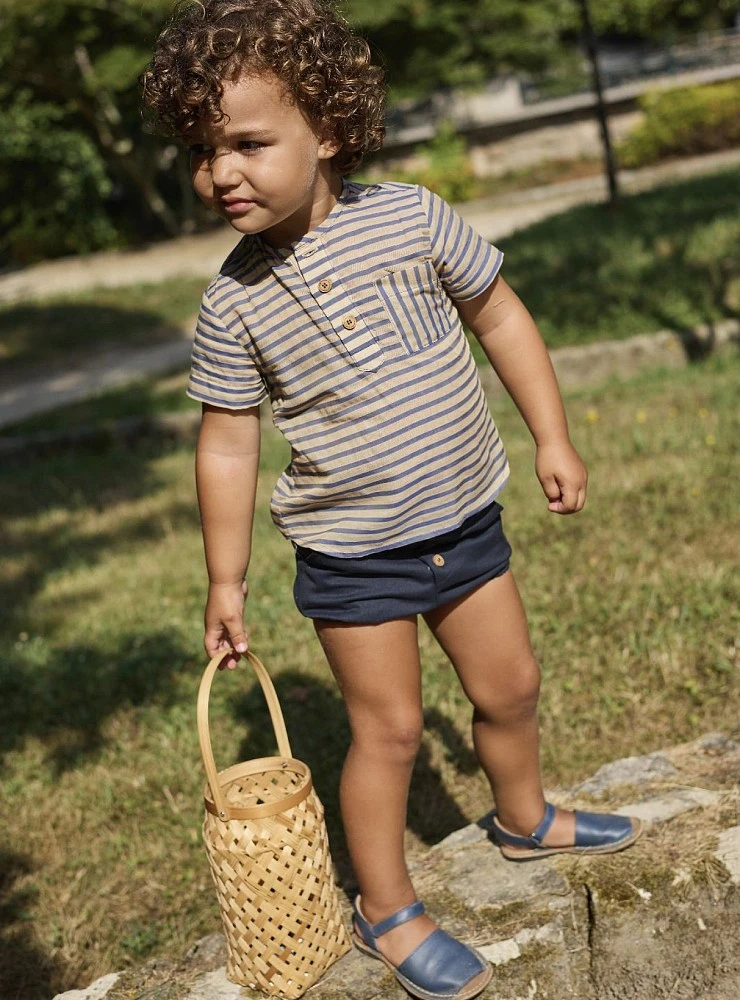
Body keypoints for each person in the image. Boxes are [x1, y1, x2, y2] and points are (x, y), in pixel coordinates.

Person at [143, 3, 641, 998]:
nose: (220, 172)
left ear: (326, 129)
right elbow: (229, 442)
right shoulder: (231, 301)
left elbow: (496, 312)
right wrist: (226, 577)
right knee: (390, 733)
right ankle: (387, 907)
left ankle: (523, 813)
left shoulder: (411, 218)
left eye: (246, 142)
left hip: (462, 524)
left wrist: (550, 431)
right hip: (351, 556)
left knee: (509, 689)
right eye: (201, 152)